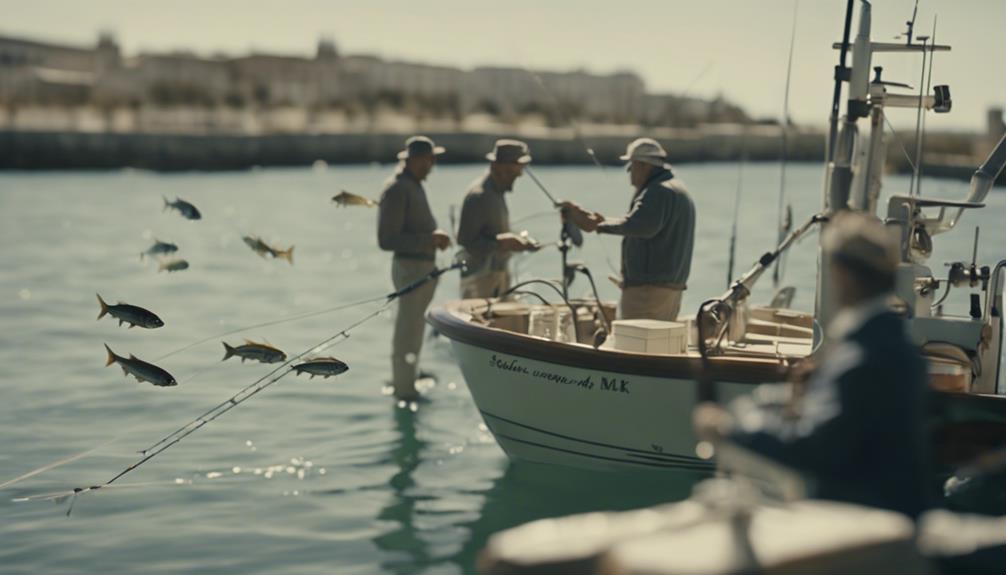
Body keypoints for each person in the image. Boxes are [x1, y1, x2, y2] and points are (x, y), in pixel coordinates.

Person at [693, 212, 932, 519]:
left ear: (843, 273)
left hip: (863, 529)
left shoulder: (860, 357)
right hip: (893, 514)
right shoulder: (897, 345)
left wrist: (730, 427)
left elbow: (813, 449)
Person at [562, 138, 695, 321]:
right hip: (669, 289)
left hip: (648, 293)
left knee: (634, 343)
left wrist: (598, 225)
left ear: (643, 165)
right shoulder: (677, 189)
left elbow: (641, 226)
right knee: (656, 342)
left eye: (630, 167)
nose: (630, 173)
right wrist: (602, 221)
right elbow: (640, 222)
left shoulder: (658, 191)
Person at [377, 136, 452, 400]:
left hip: (421, 269)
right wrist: (430, 240)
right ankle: (403, 389)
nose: (432, 164)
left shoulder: (414, 185)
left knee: (415, 329)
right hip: (410, 270)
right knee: (406, 332)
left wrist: (433, 240)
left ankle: (410, 376)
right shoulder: (397, 189)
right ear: (413, 160)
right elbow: (386, 240)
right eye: (429, 159)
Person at [456, 139, 538, 299]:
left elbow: (493, 233)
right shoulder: (479, 196)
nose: (520, 173)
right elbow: (465, 241)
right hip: (479, 281)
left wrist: (518, 241)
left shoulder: (496, 192)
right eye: (516, 167)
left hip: (497, 277)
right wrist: (501, 243)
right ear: (499, 166)